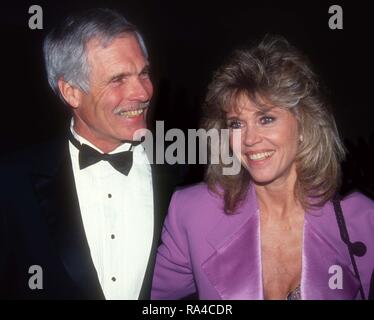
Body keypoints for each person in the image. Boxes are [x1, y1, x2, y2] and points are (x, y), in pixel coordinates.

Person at [151, 35, 374, 300]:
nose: (249, 139)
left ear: (304, 125)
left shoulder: (362, 220)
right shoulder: (191, 212)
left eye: (266, 118)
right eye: (236, 124)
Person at [0, 8, 178, 299]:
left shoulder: (183, 176)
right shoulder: (11, 184)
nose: (143, 92)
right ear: (71, 92)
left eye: (143, 73)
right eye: (118, 79)